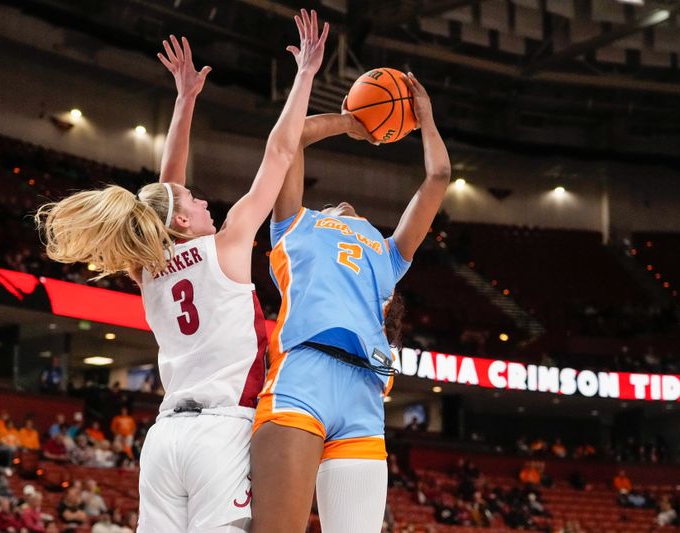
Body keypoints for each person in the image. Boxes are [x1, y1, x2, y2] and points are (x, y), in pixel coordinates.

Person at [35, 11, 327, 533]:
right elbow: (281, 150)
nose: (203, 198)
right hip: (220, 431)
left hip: (166, 438)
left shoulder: (149, 266)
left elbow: (165, 192)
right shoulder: (228, 243)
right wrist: (305, 74)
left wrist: (185, 101)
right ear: (183, 221)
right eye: (194, 198)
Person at [250, 71, 450, 533]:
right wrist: (350, 121)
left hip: (363, 393)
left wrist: (426, 118)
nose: (343, 204)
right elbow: (289, 141)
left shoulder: (388, 253)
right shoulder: (293, 225)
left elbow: (438, 175)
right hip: (303, 378)